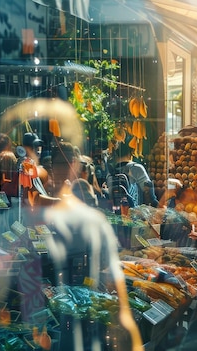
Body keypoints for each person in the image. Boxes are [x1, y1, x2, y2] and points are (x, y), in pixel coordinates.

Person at [43, 141, 143, 351]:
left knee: (76, 328)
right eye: (56, 164)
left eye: (61, 164)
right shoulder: (54, 192)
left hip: (79, 276)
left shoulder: (77, 192)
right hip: (68, 277)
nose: (58, 169)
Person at [109, 141, 158, 207]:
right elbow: (148, 191)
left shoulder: (111, 171)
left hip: (118, 212)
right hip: (135, 212)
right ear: (130, 153)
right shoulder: (136, 168)